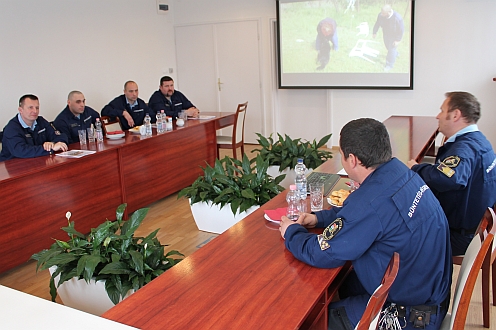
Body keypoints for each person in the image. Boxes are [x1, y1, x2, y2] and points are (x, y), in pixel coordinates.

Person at [280, 118, 452, 330]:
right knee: (340, 285)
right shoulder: (400, 173)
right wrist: (319, 218)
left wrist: (291, 232)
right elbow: (358, 216)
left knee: (314, 319)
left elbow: (321, 252)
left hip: (410, 315)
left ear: (352, 159)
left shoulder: (371, 200)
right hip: (427, 290)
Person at [408, 92, 496, 256]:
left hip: (460, 236)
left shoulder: (464, 149)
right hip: (475, 227)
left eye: (442, 110)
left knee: (394, 236)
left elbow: (448, 177)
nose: (438, 116)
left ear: (455, 115)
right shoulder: (480, 141)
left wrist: (416, 168)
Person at [0, 94, 68, 161]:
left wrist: (53, 143)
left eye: (37, 108)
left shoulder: (41, 121)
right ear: (20, 110)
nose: (35, 111)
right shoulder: (11, 128)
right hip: (13, 166)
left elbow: (61, 136)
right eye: (30, 108)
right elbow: (21, 151)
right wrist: (50, 149)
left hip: (37, 160)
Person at [372, 4, 404, 72]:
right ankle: (395, 53)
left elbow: (401, 30)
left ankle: (389, 65)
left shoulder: (397, 18)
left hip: (394, 36)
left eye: (383, 13)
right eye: (381, 12)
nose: (381, 14)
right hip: (386, 34)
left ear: (389, 12)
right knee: (388, 47)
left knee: (391, 49)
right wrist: (374, 32)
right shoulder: (381, 15)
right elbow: (377, 23)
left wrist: (397, 40)